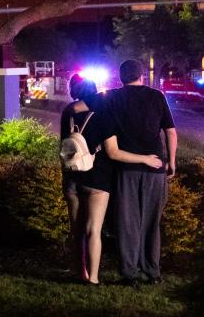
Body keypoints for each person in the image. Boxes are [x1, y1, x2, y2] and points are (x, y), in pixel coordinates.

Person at [60, 75, 162, 285]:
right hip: (98, 177)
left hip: (71, 175)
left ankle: (80, 272)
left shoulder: (67, 112)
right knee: (93, 230)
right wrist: (146, 159)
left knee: (76, 230)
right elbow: (113, 152)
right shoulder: (105, 114)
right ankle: (94, 278)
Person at [104, 60, 178, 286]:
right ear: (142, 76)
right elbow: (171, 132)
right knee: (152, 221)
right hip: (155, 168)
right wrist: (171, 161)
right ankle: (152, 271)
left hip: (126, 169)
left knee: (128, 222)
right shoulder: (157, 96)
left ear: (121, 77)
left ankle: (130, 273)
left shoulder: (113, 99)